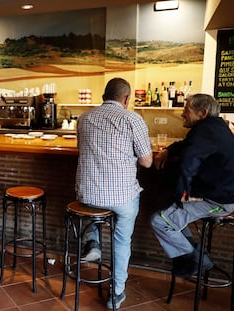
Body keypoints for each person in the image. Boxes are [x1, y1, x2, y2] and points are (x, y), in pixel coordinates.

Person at [75, 77, 153, 309]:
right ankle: (116, 293)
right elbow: (147, 163)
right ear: (127, 98)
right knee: (121, 239)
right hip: (121, 198)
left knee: (93, 204)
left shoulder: (85, 117)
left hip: (85, 194)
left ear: (103, 95)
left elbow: (81, 149)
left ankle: (93, 241)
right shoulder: (133, 119)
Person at [150, 93, 234, 278]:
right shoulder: (213, 127)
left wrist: (183, 193)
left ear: (202, 112)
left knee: (159, 221)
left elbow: (188, 162)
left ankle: (194, 261)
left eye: (187, 110)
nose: (182, 114)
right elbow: (186, 146)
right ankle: (200, 257)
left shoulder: (206, 131)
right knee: (170, 212)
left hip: (218, 202)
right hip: (218, 195)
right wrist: (168, 150)